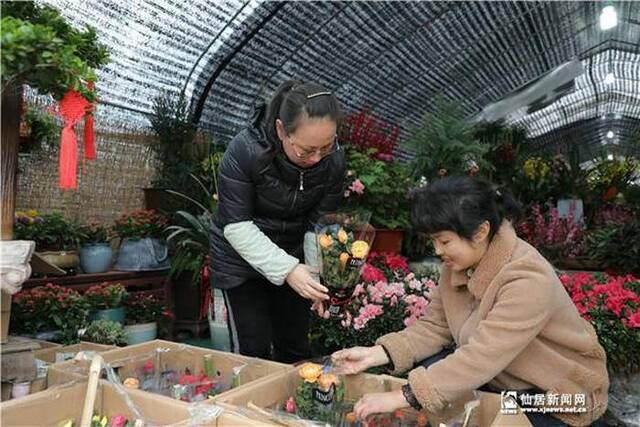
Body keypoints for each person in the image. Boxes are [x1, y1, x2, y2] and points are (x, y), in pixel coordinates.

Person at [331, 176, 609, 427]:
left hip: (555, 396)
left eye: (444, 241)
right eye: (433, 241)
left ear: (480, 231)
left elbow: (483, 355)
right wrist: (375, 354)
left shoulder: (527, 278)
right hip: (504, 381)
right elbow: (435, 326)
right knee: (432, 374)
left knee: (447, 396)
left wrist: (404, 396)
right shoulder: (458, 265)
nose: (437, 251)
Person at [209, 79, 346, 363]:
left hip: (294, 256)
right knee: (252, 352)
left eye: (326, 147)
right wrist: (288, 270)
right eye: (306, 150)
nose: (317, 157)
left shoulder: (333, 161)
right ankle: (247, 407)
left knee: (295, 348)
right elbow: (236, 225)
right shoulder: (245, 150)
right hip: (240, 263)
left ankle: (291, 407)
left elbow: (318, 224)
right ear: (282, 129)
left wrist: (314, 280)